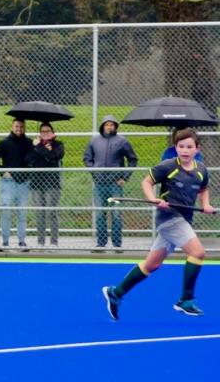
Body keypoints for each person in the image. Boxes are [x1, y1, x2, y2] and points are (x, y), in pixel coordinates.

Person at [101, 128, 212, 320]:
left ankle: (116, 292)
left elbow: (203, 189)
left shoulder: (201, 170)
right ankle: (185, 299)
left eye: (189, 147)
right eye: (181, 146)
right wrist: (153, 199)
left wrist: (206, 205)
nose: (185, 150)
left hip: (184, 219)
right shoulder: (168, 166)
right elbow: (146, 181)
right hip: (168, 218)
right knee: (198, 252)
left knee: (152, 264)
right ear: (175, 148)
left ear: (197, 149)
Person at [84, 115, 138, 250]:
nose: (109, 127)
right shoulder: (94, 141)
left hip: (115, 185)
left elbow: (133, 159)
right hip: (99, 184)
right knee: (100, 214)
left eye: (112, 124)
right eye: (107, 124)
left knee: (116, 214)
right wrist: (94, 171)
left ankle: (117, 244)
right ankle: (101, 243)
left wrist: (124, 177)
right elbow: (87, 158)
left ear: (115, 126)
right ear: (103, 126)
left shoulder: (122, 141)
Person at [0, 118, 32, 249]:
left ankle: (22, 241)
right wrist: (2, 172)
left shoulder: (29, 143)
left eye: (21, 127)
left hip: (23, 183)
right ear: (12, 127)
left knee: (22, 213)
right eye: (17, 126)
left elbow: (34, 159)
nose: (19, 129)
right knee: (6, 212)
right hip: (8, 183)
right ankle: (5, 242)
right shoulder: (5, 143)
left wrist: (36, 146)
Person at [26, 122, 65, 246]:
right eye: (42, 131)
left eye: (47, 131)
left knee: (51, 212)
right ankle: (40, 242)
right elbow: (28, 160)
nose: (45, 133)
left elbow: (53, 157)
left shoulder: (58, 145)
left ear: (52, 132)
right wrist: (39, 148)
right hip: (37, 183)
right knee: (40, 213)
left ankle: (54, 242)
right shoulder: (34, 144)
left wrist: (41, 149)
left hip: (53, 184)